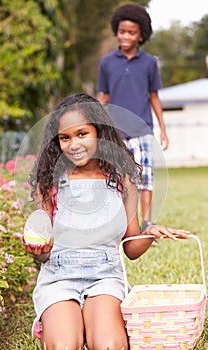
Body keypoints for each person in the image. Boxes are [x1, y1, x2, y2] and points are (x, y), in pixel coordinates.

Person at [23, 93, 188, 350]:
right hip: (58, 276)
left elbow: (131, 248)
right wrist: (39, 251)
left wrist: (151, 232)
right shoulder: (50, 181)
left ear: (99, 132)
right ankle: (64, 322)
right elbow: (43, 250)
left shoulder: (123, 180)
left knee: (109, 345)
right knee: (64, 345)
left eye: (82, 134)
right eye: (65, 138)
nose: (74, 144)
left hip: (105, 276)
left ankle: (91, 322)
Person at [97, 3, 169, 232]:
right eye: (122, 31)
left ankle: (147, 222)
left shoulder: (149, 63)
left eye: (131, 32)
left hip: (142, 130)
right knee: (118, 179)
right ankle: (124, 223)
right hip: (116, 132)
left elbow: (154, 97)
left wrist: (163, 130)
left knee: (145, 178)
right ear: (116, 31)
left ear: (141, 35)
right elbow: (104, 97)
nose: (125, 36)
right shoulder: (107, 63)